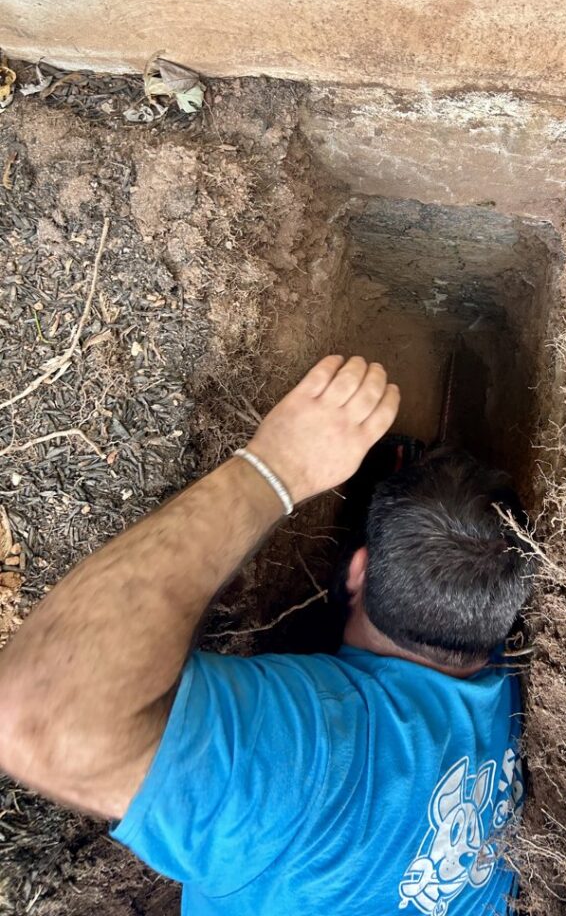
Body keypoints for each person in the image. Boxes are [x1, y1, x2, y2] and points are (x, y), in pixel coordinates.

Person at [0, 355, 535, 916]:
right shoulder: (504, 674)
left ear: (355, 571)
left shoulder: (321, 758)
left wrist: (273, 469)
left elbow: (45, 715)